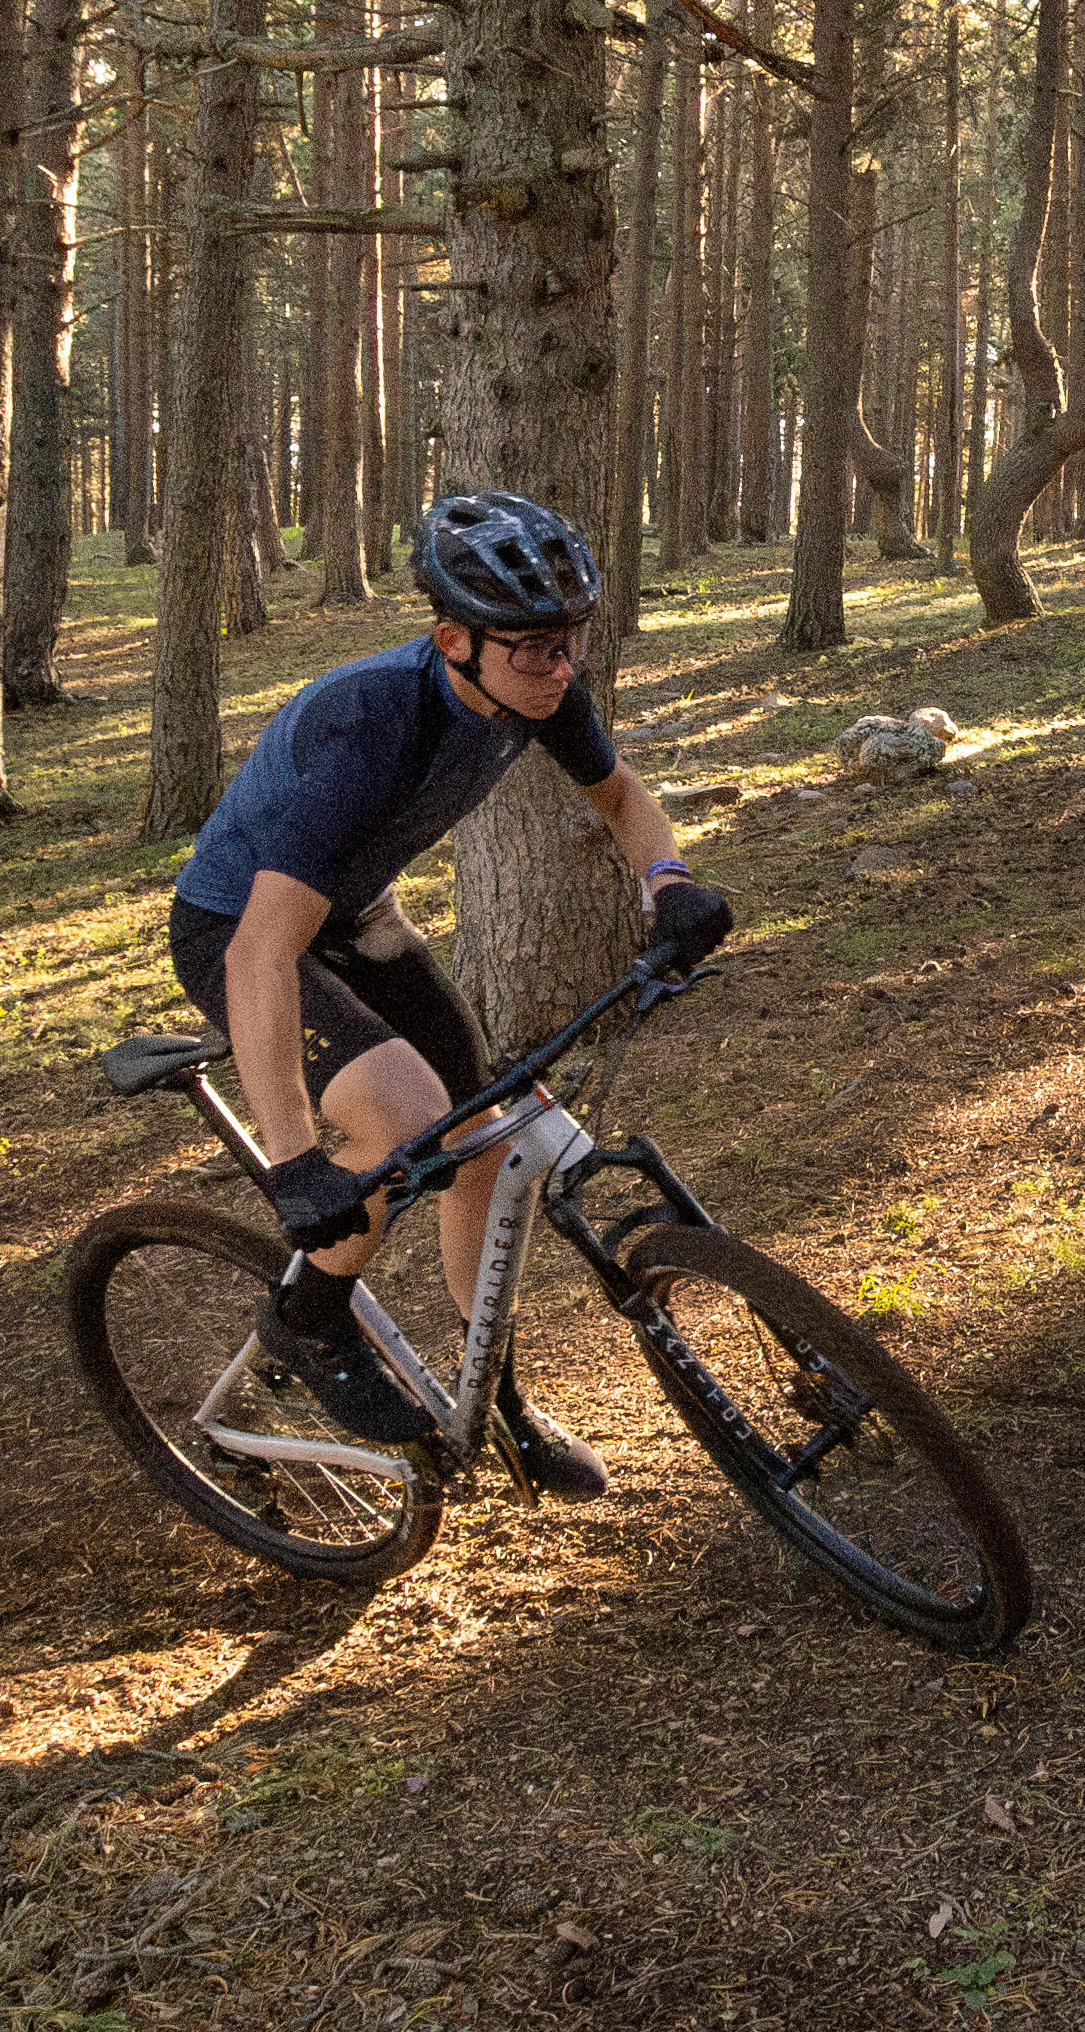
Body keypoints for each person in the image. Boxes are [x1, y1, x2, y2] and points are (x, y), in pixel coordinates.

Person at [162, 490, 729, 1485]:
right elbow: (260, 951)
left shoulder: (535, 688)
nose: (562, 668)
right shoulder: (372, 724)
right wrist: (294, 1164)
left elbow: (620, 795)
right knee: (410, 1116)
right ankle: (308, 1317)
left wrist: (668, 879)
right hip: (237, 929)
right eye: (536, 649)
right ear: (454, 642)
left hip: (356, 914)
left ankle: (493, 1399)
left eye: (571, 643)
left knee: (486, 1141)